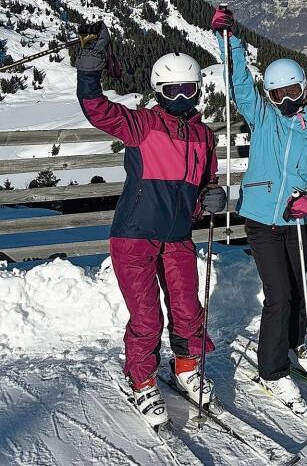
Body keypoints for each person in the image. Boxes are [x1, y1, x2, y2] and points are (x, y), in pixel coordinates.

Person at [75, 22, 226, 428]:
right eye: (171, 90)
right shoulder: (142, 124)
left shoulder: (203, 137)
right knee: (146, 318)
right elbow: (97, 109)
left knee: (187, 309)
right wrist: (90, 71)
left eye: (188, 90)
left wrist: (212, 197)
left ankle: (185, 366)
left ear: (197, 91)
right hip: (135, 235)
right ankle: (141, 379)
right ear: (159, 92)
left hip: (177, 237)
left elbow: (205, 184)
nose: (180, 97)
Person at [211, 7, 307, 414]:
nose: (285, 101)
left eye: (292, 92)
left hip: (302, 219)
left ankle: (293, 343)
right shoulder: (263, 116)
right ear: (269, 96)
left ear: (304, 88)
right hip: (264, 218)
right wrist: (227, 38)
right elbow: (239, 83)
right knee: (279, 294)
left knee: (298, 290)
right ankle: (272, 371)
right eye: (277, 94)